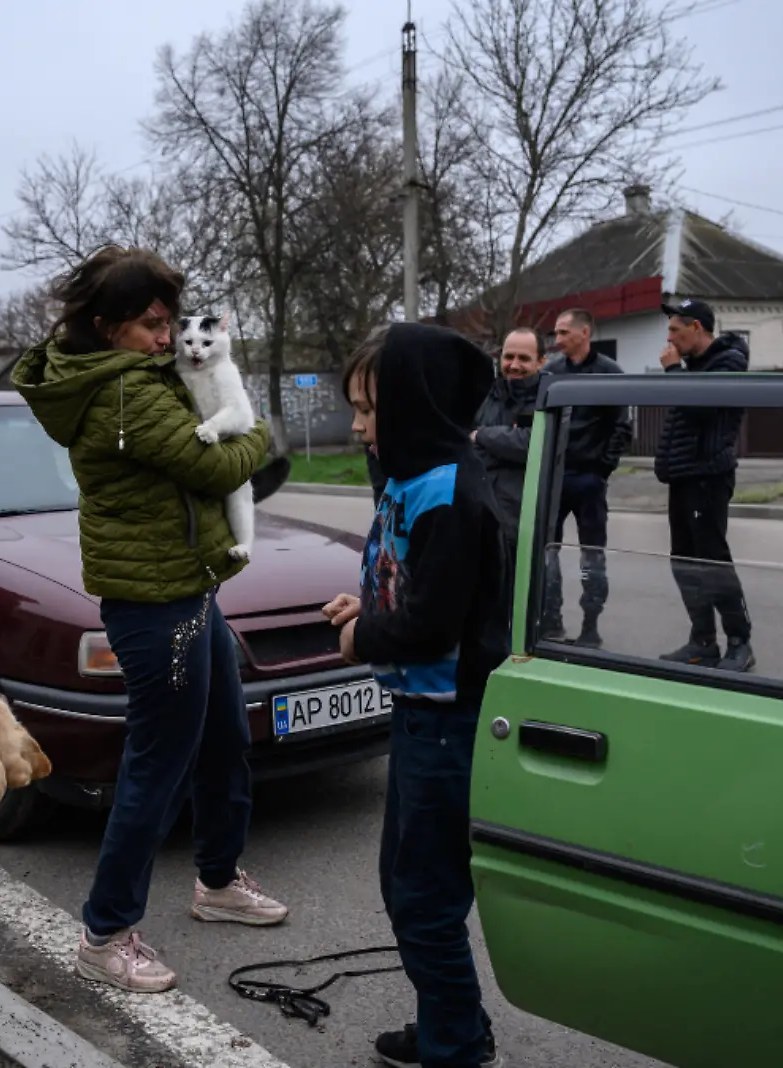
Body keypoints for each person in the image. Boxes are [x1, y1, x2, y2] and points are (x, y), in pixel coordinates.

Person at [11, 246, 284, 994]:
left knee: (226, 738)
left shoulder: (138, 376)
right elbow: (222, 466)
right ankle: (104, 933)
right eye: (151, 325)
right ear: (107, 327)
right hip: (153, 607)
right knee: (158, 765)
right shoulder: (126, 393)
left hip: (188, 588)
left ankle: (219, 882)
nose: (166, 339)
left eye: (170, 323)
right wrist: (260, 431)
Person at [324, 323, 508, 1068]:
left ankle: (456, 1047)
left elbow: (432, 626)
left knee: (426, 903)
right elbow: (409, 589)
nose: (358, 424)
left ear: (415, 403)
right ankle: (454, 1026)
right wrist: (362, 610)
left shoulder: (453, 493)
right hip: (417, 718)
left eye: (371, 408)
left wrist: (363, 638)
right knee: (405, 892)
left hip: (447, 725)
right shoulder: (409, 477)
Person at [653, 299, 754, 672]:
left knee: (713, 562)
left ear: (696, 327)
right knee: (684, 562)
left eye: (675, 330)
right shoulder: (692, 366)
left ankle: (740, 641)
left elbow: (701, 409)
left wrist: (673, 371)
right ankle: (703, 640)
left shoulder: (728, 360)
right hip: (682, 476)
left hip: (708, 477)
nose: (669, 338)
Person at [539, 308, 631, 647]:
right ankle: (551, 619)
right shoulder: (552, 372)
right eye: (556, 333)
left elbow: (622, 426)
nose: (558, 340)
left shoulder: (609, 372)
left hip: (589, 480)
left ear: (585, 332)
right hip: (554, 478)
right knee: (547, 553)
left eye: (564, 333)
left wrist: (602, 467)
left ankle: (591, 623)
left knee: (591, 556)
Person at [470, 326, 547, 553]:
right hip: (478, 515)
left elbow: (532, 445)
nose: (514, 365)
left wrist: (483, 435)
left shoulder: (550, 398)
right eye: (508, 357)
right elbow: (464, 441)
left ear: (541, 361)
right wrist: (506, 441)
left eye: (524, 358)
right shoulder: (485, 394)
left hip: (522, 524)